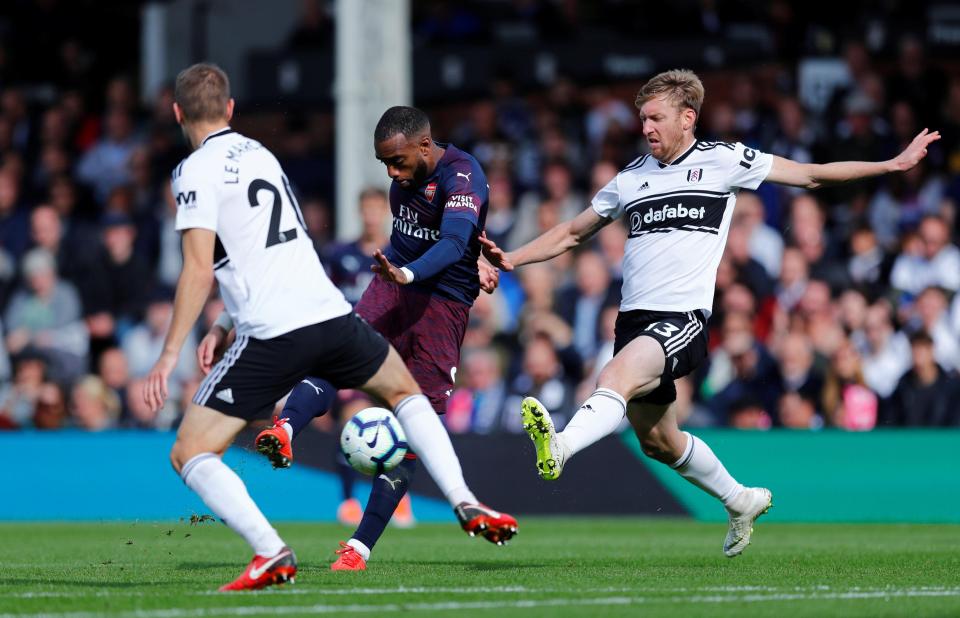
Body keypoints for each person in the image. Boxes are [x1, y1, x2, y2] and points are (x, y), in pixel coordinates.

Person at [480, 69, 939, 557]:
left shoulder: (723, 161)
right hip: (634, 322)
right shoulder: (631, 177)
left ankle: (562, 448)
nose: (646, 128)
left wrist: (890, 165)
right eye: (642, 119)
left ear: (687, 117)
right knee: (658, 441)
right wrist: (510, 258)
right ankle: (740, 499)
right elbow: (572, 232)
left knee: (612, 375)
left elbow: (810, 173)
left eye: (655, 118)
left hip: (681, 320)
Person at [144, 66, 516, 592]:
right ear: (230, 110)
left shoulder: (193, 172)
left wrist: (170, 354)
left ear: (178, 113)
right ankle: (462, 498)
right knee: (401, 393)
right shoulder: (261, 156)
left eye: (397, 160)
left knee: (190, 451)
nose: (391, 172)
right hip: (330, 309)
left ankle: (273, 549)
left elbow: (201, 266)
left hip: (293, 324)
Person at [247, 105, 506, 572]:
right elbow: (445, 238)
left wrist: (428, 268)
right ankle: (285, 430)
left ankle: (358, 548)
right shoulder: (404, 179)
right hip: (393, 286)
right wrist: (409, 272)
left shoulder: (463, 174)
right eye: (384, 162)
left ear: (425, 146)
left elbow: (451, 243)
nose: (391, 171)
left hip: (438, 304)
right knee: (339, 353)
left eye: (398, 161)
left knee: (411, 424)